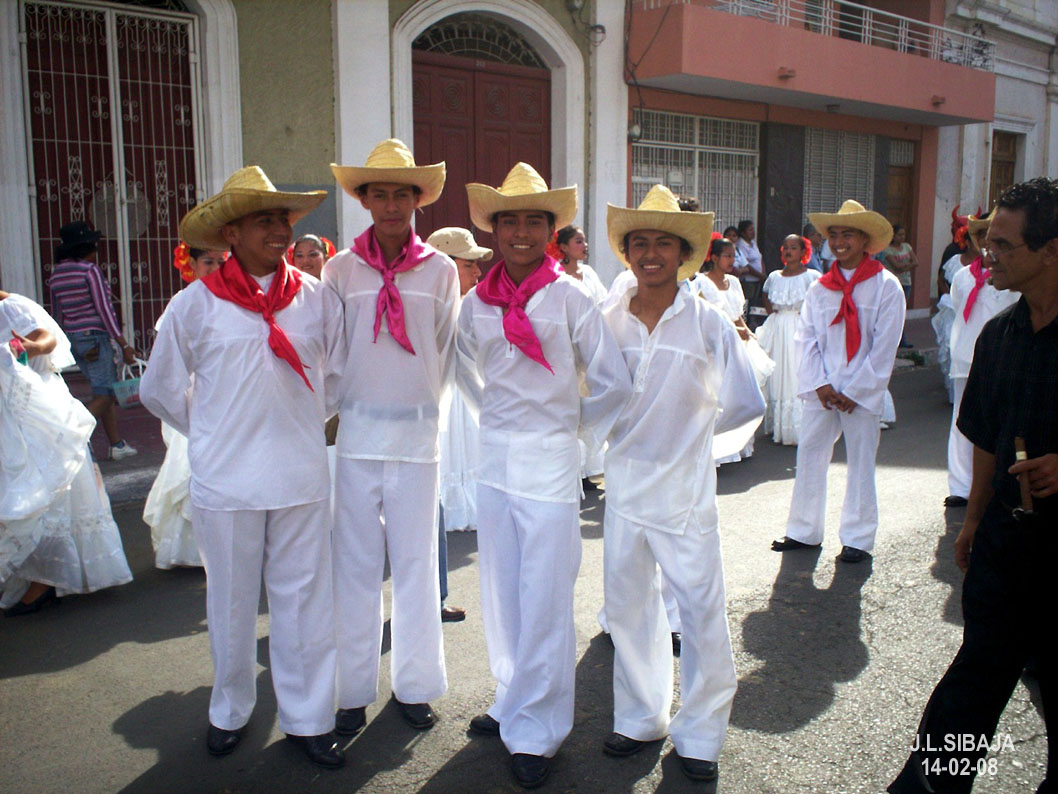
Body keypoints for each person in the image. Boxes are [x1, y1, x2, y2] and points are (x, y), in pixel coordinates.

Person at [140, 166, 347, 768]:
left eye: (284, 219)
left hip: (301, 475)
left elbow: (335, 379)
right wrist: (210, 434)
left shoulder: (314, 299)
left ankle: (309, 717)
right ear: (231, 233)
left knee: (304, 599)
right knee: (229, 601)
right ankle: (229, 709)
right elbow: (160, 389)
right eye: (265, 220)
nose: (280, 230)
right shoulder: (194, 306)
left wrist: (300, 422)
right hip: (226, 480)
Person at [457, 162, 631, 788]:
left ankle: (540, 731)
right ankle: (511, 696)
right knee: (501, 591)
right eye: (511, 221)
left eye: (535, 221)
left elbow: (612, 381)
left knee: (547, 597)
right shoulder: (476, 303)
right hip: (496, 462)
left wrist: (567, 426)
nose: (522, 232)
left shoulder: (572, 296)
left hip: (552, 463)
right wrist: (501, 423)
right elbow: (466, 374)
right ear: (495, 230)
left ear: (551, 230)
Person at [888, 177, 1058, 794]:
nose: (989, 255)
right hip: (1007, 543)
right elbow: (984, 438)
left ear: (1051, 251)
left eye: (1005, 246)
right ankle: (932, 787)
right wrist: (973, 519)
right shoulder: (999, 335)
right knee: (978, 674)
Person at [599, 185, 764, 785]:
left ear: (682, 253)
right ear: (626, 252)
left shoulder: (707, 322)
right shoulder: (608, 319)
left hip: (686, 494)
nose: (649, 253)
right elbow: (589, 396)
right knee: (629, 607)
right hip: (624, 490)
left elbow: (746, 400)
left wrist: (697, 446)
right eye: (638, 242)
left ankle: (700, 734)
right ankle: (642, 717)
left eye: (662, 242)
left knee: (699, 613)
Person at [325, 139, 456, 736]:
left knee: (416, 565)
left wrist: (429, 411)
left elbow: (449, 351)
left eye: (402, 192)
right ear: (363, 199)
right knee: (352, 569)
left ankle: (415, 683)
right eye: (378, 192)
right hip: (356, 438)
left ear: (417, 199)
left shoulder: (441, 269)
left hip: (415, 438)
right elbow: (330, 354)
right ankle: (352, 687)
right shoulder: (339, 270)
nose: (390, 203)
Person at [771, 200, 905, 563]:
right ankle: (803, 529)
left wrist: (856, 390)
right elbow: (807, 339)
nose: (840, 241)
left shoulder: (886, 286)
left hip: (860, 390)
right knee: (810, 453)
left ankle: (858, 537)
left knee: (860, 460)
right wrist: (820, 383)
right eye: (834, 235)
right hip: (824, 390)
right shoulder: (819, 288)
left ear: (865, 241)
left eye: (848, 234)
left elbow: (884, 345)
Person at [0, 290, 132, 615]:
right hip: (12, 414)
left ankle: (44, 581)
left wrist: (27, 348)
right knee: (23, 491)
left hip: (36, 410)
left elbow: (46, 339)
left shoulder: (11, 306)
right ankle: (33, 575)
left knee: (46, 491)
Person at [142, 243, 227, 570]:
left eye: (222, 261)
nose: (216, 268)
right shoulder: (183, 303)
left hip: (223, 399)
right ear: (191, 264)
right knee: (192, 467)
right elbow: (166, 370)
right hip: (194, 399)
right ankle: (190, 549)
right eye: (208, 262)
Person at [427, 225, 494, 623]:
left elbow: (471, 371)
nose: (477, 273)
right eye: (470, 265)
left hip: (445, 420)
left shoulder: (464, 308)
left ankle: (433, 598)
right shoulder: (426, 306)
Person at [943, 210, 1019, 508]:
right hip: (966, 358)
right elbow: (959, 312)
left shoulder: (1011, 276)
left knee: (1000, 422)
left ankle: (995, 481)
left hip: (1001, 360)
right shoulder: (963, 278)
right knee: (962, 421)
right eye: (983, 236)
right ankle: (960, 486)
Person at [47, 221, 138, 459]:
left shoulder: (56, 275)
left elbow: (57, 314)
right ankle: (70, 436)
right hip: (95, 338)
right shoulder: (89, 271)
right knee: (106, 394)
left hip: (76, 339)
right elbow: (104, 309)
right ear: (85, 246)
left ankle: (116, 445)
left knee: (102, 390)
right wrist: (123, 344)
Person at [690, 236, 773, 462]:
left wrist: (746, 330)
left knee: (742, 393)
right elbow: (709, 318)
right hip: (715, 344)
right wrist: (735, 330)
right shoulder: (701, 283)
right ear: (714, 258)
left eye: (733, 256)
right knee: (717, 395)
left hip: (738, 342)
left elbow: (737, 314)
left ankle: (740, 445)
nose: (731, 260)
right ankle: (714, 451)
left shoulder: (734, 282)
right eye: (727, 256)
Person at [756, 234, 821, 445]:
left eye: (794, 247)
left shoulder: (812, 277)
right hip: (778, 328)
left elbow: (820, 303)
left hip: (800, 327)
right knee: (778, 375)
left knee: (796, 373)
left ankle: (800, 426)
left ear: (803, 252)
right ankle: (778, 426)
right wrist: (773, 315)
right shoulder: (774, 276)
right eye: (785, 248)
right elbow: (765, 294)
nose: (788, 251)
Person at [879, 224, 919, 348]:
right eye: (899, 235)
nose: (902, 237)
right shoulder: (887, 250)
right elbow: (896, 266)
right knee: (891, 311)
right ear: (893, 236)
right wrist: (907, 266)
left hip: (906, 282)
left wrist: (904, 267)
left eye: (903, 235)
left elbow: (916, 262)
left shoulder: (907, 247)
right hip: (893, 284)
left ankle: (902, 340)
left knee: (902, 311)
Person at [734, 219, 764, 307]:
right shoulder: (741, 245)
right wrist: (759, 275)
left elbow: (760, 258)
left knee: (755, 303)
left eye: (753, 229)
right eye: (750, 230)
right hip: (748, 281)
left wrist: (763, 273)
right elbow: (746, 264)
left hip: (757, 279)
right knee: (747, 303)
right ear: (743, 233)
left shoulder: (753, 243)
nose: (753, 232)